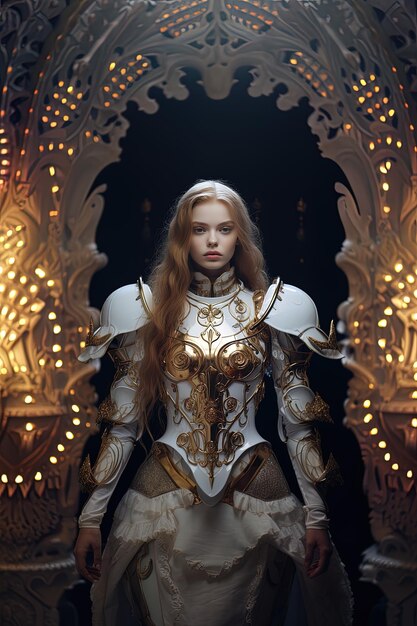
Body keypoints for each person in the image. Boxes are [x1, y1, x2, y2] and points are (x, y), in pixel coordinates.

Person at [74, 180, 352, 626]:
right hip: (163, 493)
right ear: (183, 237)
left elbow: (297, 422)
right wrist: (91, 519)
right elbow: (122, 425)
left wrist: (316, 519)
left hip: (255, 491)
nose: (212, 240)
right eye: (199, 229)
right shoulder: (144, 307)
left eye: (223, 229)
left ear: (239, 235)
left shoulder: (275, 308)